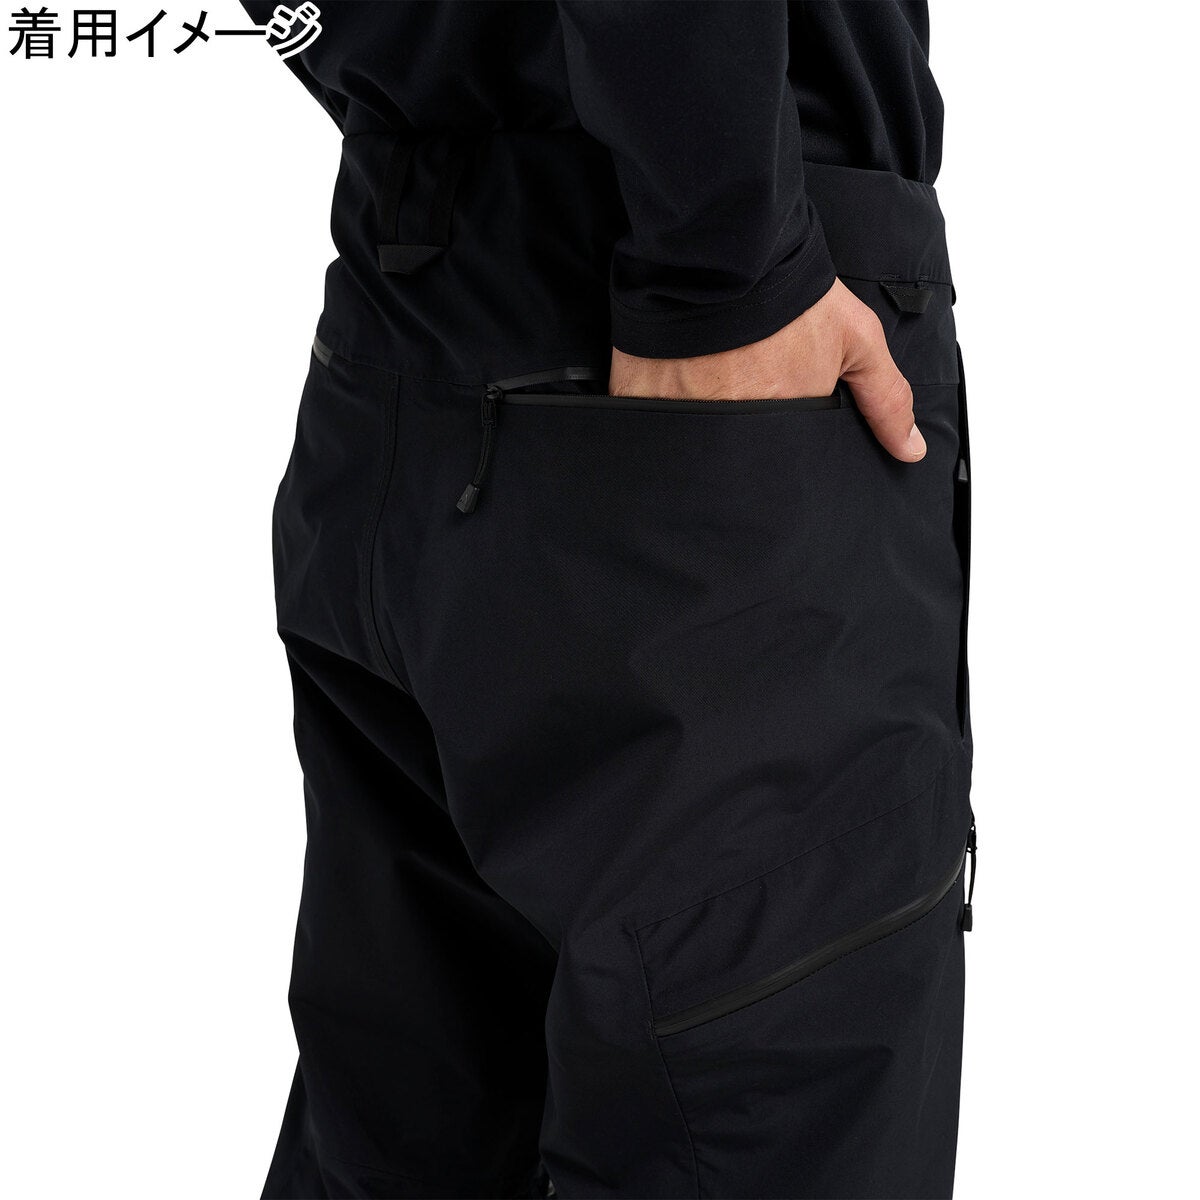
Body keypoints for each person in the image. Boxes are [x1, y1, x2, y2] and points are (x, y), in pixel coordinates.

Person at [240, 2, 975, 1196]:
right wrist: (726, 262)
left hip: (412, 312)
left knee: (405, 1132)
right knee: (753, 1097)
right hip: (706, 354)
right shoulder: (719, 255)